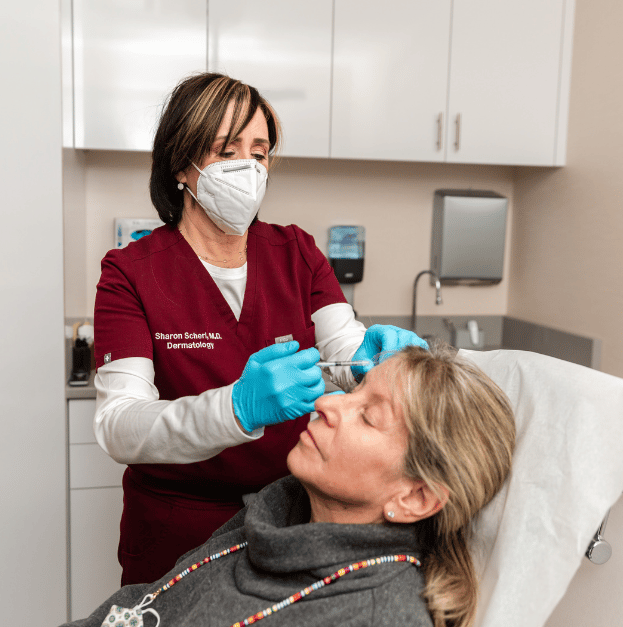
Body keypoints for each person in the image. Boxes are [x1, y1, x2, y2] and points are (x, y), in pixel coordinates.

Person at [92, 71, 428, 585]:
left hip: (290, 515)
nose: (247, 167)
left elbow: (343, 351)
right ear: (183, 162)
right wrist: (236, 407)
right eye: (227, 150)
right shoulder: (130, 272)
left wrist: (369, 360)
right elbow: (120, 424)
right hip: (176, 527)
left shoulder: (297, 251)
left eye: (260, 151)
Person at [63, 344, 516, 627]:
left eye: (368, 415)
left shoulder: (375, 614)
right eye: (351, 391)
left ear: (416, 496)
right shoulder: (275, 518)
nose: (326, 402)